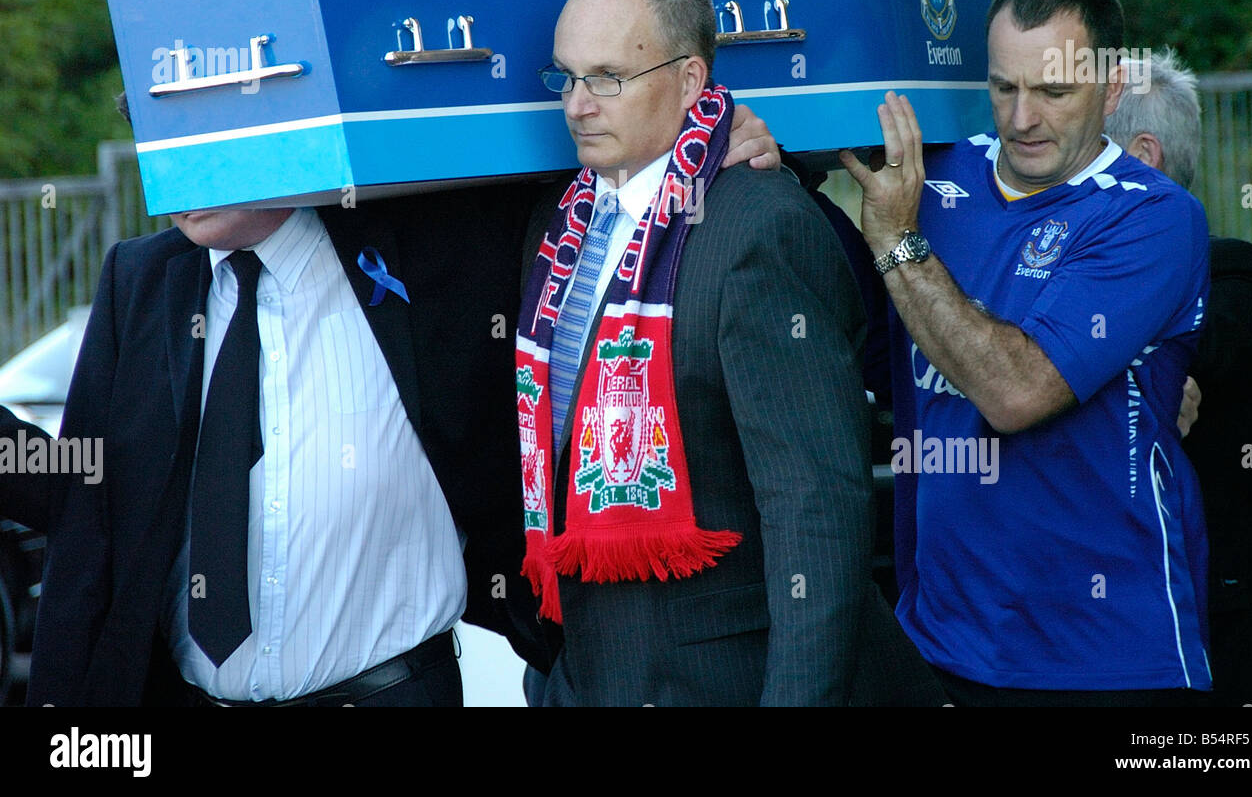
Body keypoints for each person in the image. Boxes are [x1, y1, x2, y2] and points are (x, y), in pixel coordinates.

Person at [23, 71, 781, 707]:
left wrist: (724, 148)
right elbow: (87, 505)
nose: (170, 177)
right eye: (155, 147)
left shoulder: (433, 245)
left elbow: (616, 190)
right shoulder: (141, 280)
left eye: (195, 144)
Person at [517, 0, 943, 706]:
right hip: (588, 672)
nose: (578, 104)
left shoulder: (759, 225)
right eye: (567, 77)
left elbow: (815, 502)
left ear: (689, 82)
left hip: (724, 681)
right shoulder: (557, 230)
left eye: (608, 77)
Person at [841, 0, 1213, 704]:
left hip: (1107, 659)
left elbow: (1015, 392)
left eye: (1053, 91)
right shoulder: (940, 176)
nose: (1021, 119)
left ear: (1109, 91)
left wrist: (899, 245)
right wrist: (761, 162)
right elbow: (861, 329)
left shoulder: (1152, 216)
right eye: (1005, 87)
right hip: (946, 643)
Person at [1106, 46, 1252, 707]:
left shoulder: (1236, 277)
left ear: (1141, 156)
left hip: (1206, 631)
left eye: (1084, 149)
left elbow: (1198, 342)